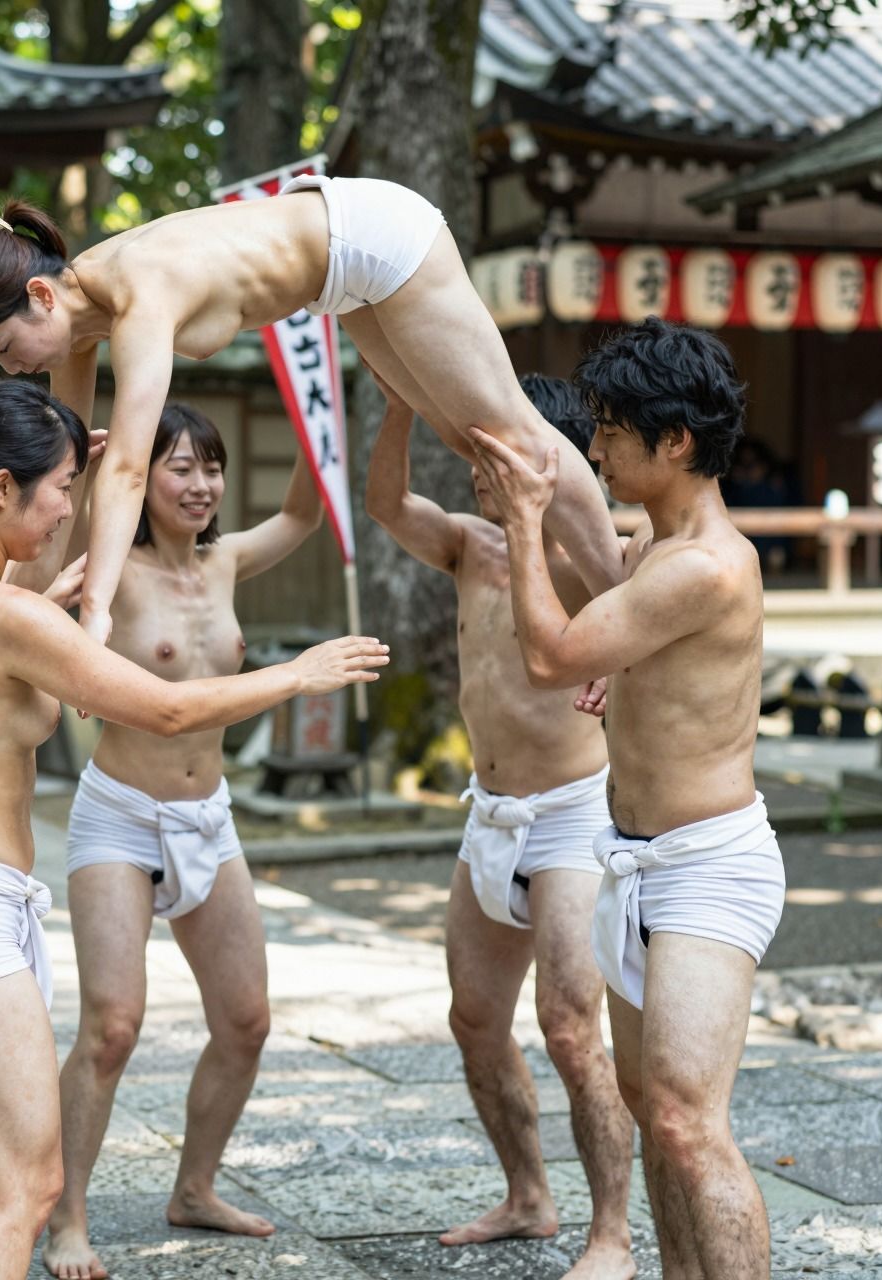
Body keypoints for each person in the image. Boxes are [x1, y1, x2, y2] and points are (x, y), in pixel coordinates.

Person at [0, 379, 387, 1280]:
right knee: (24, 1187)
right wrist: (299, 676)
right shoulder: (5, 611)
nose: (75, 508)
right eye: (64, 486)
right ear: (1, 490)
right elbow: (167, 710)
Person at [0, 188, 624, 646]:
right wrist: (10, 603)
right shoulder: (72, 334)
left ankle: (622, 608)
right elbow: (63, 481)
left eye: (3, 347)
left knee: (506, 435)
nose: (10, 367)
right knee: (464, 439)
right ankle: (621, 596)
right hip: (339, 286)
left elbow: (130, 466)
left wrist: (97, 608)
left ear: (41, 296)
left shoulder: (141, 288)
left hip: (372, 236)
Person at [469, 317, 786, 1280]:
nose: (594, 448)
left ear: (675, 441)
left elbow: (551, 654)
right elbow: (620, 652)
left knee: (691, 1121)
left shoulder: (703, 562)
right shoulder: (659, 542)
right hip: (636, 859)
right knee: (652, 1109)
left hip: (705, 869)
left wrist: (523, 520)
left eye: (609, 430)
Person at [42, 403, 323, 1280]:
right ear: (142, 479)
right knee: (112, 1027)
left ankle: (194, 1189)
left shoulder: (228, 560)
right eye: (179, 468)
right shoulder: (109, 573)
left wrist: (327, 425)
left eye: (212, 468)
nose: (200, 486)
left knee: (246, 1022)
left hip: (211, 816)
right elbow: (82, 515)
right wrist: (85, 460)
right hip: (121, 814)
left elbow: (304, 516)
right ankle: (68, 1219)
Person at [366, 371, 635, 1280]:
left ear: (549, 462)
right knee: (475, 1020)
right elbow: (386, 501)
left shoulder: (604, 554)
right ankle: (528, 1196)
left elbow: (667, 628)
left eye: (497, 453)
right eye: (474, 452)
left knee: (569, 1026)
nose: (479, 469)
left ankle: (614, 1233)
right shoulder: (470, 544)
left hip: (570, 817)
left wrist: (624, 672)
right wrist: (403, 403)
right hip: (490, 816)